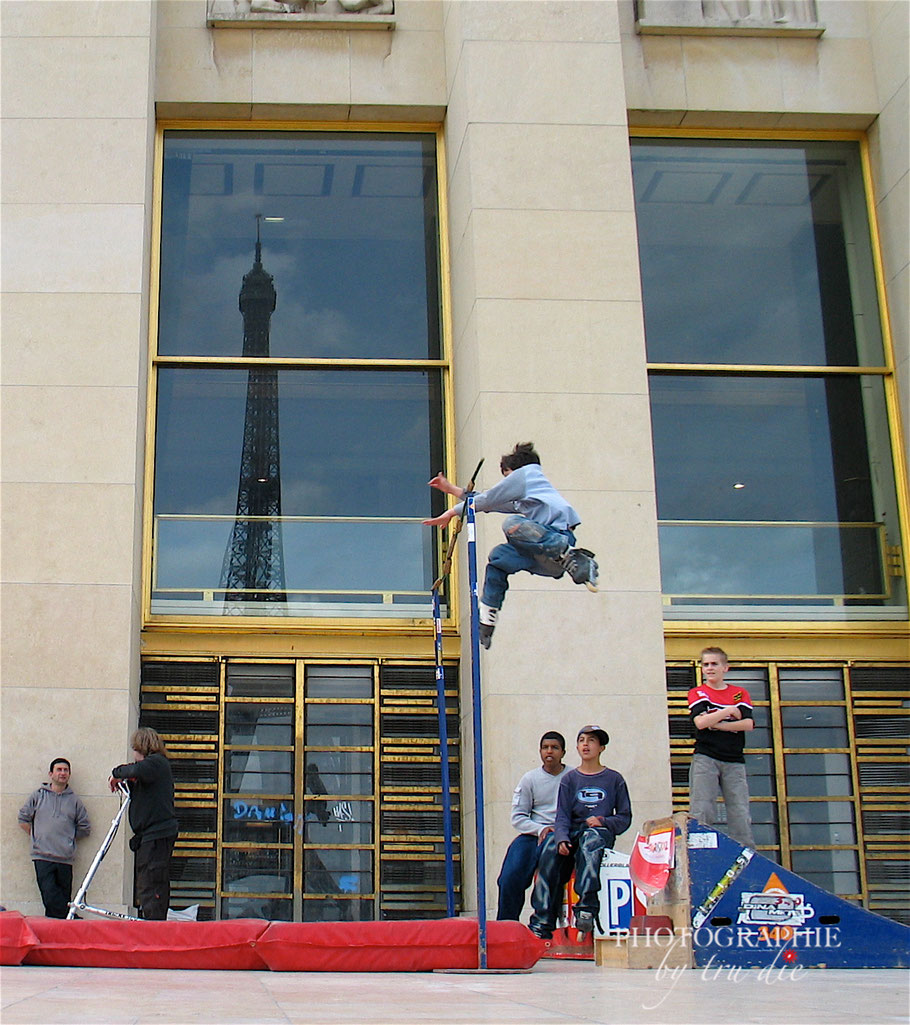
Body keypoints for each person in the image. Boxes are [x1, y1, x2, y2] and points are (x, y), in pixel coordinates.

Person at [423, 442, 598, 648]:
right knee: (498, 558)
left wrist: (451, 512)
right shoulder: (529, 496)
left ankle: (572, 556)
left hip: (558, 537)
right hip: (544, 555)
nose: (506, 483)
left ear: (513, 471)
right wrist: (451, 489)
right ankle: (488, 618)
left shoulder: (526, 475)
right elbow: (490, 503)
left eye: (506, 478)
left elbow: (490, 498)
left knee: (512, 525)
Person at [529, 726, 632, 939]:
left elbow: (624, 818)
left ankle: (586, 907)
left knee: (590, 841)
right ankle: (541, 922)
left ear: (601, 747)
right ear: (576, 747)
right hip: (573, 830)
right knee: (549, 848)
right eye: (582, 740)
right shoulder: (570, 779)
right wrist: (561, 839)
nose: (586, 744)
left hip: (598, 832)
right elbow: (562, 816)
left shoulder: (614, 779)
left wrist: (603, 821)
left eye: (592, 740)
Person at [687, 646, 756, 848]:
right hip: (706, 757)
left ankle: (744, 855)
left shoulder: (739, 693)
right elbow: (700, 723)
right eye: (705, 664)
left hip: (734, 759)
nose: (709, 668)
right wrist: (729, 711)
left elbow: (748, 723)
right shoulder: (697, 692)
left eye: (714, 664)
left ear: (725, 668)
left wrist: (715, 722)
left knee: (739, 811)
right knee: (703, 808)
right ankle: (699, 851)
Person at [496, 731, 567, 921]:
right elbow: (518, 817)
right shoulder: (530, 779)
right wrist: (540, 829)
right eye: (545, 748)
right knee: (508, 879)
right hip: (533, 836)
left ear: (563, 752)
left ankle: (543, 928)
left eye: (554, 748)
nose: (549, 752)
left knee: (548, 882)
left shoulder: (573, 777)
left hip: (561, 837)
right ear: (540, 751)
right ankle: (506, 926)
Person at [110, 727, 179, 920]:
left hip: (157, 833)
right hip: (149, 834)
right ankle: (152, 918)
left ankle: (154, 922)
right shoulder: (150, 772)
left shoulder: (156, 764)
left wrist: (117, 774)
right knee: (148, 879)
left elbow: (131, 769)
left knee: (152, 880)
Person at [18, 758, 91, 918]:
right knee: (50, 897)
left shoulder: (74, 801)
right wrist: (36, 835)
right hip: (42, 856)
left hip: (65, 859)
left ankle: (59, 935)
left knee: (61, 900)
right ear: (51, 774)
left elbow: (85, 828)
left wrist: (68, 839)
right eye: (59, 770)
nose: (62, 773)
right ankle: (72, 919)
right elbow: (23, 819)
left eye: (65, 770)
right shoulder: (38, 796)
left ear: (69, 774)